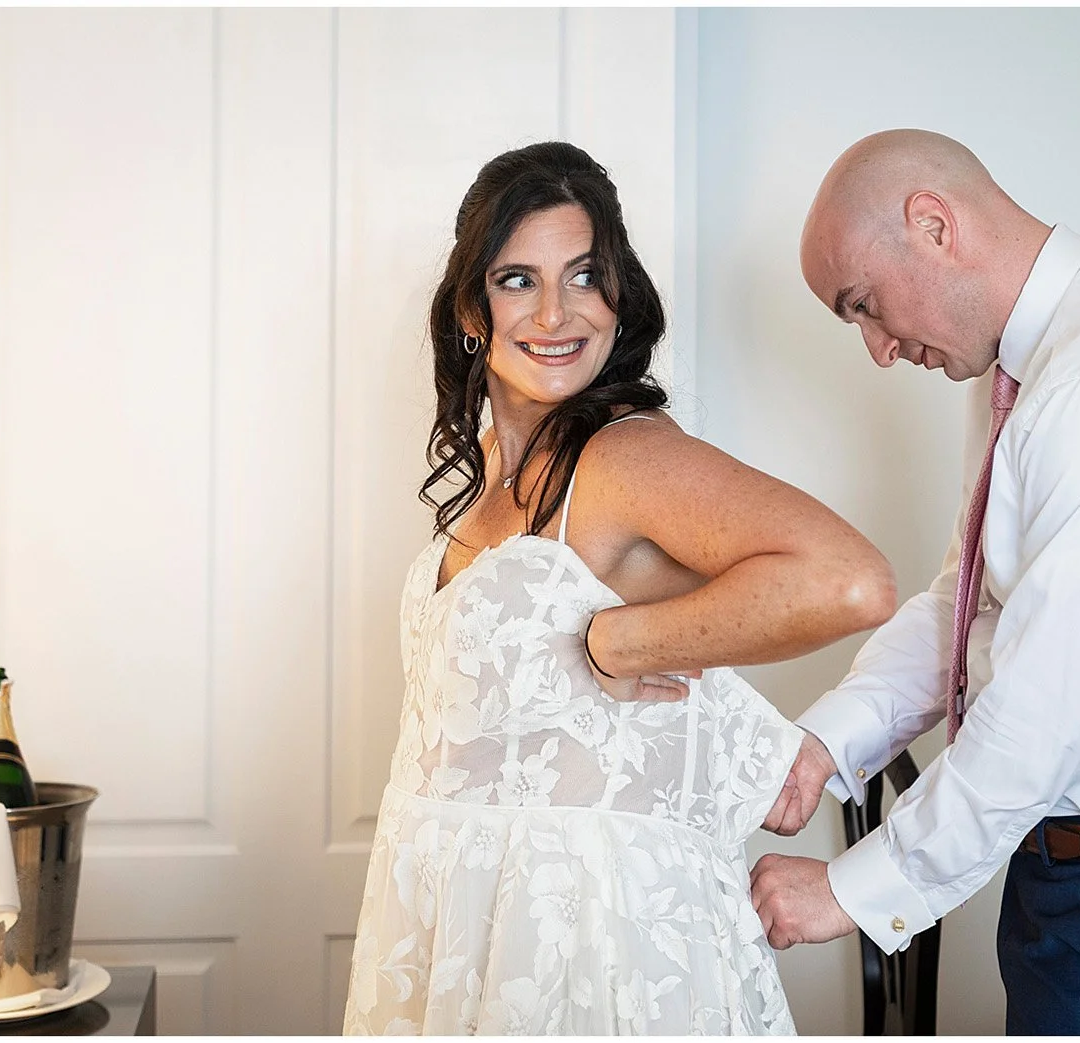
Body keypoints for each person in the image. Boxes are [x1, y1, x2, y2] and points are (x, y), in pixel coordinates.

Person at [342, 141, 896, 1035]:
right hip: (460, 929)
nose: (557, 312)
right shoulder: (491, 467)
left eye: (585, 275)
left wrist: (620, 641)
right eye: (518, 278)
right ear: (472, 311)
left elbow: (850, 580)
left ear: (618, 296)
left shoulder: (626, 457)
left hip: (587, 954)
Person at [751, 129, 1080, 1034]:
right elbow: (972, 602)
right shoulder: (1028, 360)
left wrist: (849, 891)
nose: (879, 350)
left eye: (866, 305)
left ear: (932, 223)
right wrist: (829, 745)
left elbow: (1041, 716)